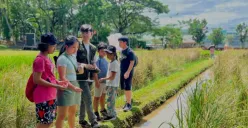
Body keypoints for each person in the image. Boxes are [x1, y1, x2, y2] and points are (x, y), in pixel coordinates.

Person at [32, 33, 68, 128]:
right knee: (44, 123)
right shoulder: (40, 60)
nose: (55, 48)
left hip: (50, 96)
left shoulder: (47, 58)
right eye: (53, 46)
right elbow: (36, 80)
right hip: (43, 97)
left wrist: (58, 82)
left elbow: (48, 77)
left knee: (49, 122)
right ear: (47, 46)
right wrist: (57, 86)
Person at [55, 36, 83, 128]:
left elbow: (74, 71)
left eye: (77, 47)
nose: (76, 50)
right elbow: (62, 77)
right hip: (66, 87)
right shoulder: (62, 59)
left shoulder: (72, 57)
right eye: (73, 47)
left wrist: (81, 68)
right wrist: (73, 87)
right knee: (62, 115)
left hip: (74, 84)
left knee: (72, 112)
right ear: (67, 47)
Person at [76, 24, 100, 128]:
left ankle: (81, 120)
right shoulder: (77, 45)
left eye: (87, 32)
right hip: (80, 77)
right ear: (81, 33)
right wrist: (85, 65)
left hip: (90, 77)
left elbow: (94, 62)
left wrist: (94, 67)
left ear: (92, 33)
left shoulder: (94, 48)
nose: (85, 34)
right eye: (83, 32)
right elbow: (72, 61)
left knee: (83, 99)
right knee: (88, 99)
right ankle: (93, 121)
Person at [99, 45, 120, 121]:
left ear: (114, 54)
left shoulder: (114, 63)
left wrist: (103, 79)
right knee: (110, 100)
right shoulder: (111, 62)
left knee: (110, 100)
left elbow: (112, 77)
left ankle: (111, 115)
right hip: (110, 84)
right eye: (107, 53)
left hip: (112, 84)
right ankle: (111, 113)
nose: (107, 55)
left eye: (109, 54)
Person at [118, 36, 135, 112]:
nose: (119, 43)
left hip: (127, 72)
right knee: (125, 87)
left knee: (127, 87)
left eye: (120, 42)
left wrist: (127, 72)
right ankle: (127, 102)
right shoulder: (122, 51)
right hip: (122, 71)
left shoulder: (130, 51)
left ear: (125, 42)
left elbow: (132, 63)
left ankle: (129, 104)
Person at [93, 43, 108, 121]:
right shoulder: (97, 59)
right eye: (102, 51)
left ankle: (102, 109)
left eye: (105, 51)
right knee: (97, 97)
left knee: (103, 96)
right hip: (99, 81)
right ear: (98, 51)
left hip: (105, 81)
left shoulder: (105, 60)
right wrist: (96, 82)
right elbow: (95, 72)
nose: (104, 52)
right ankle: (95, 112)